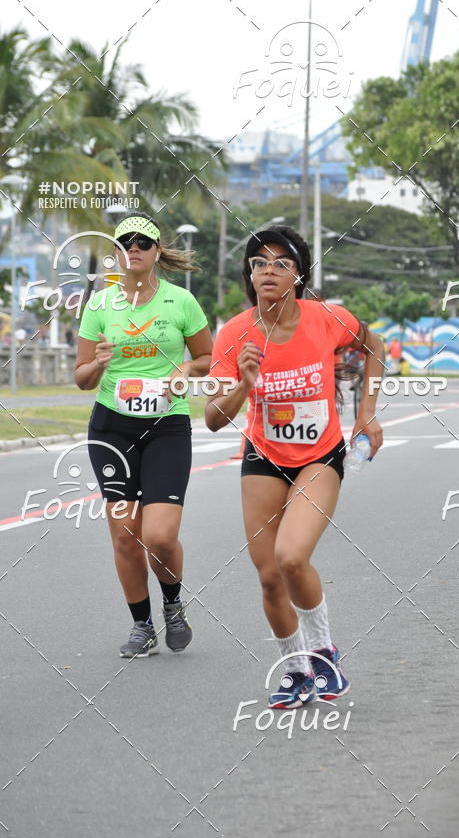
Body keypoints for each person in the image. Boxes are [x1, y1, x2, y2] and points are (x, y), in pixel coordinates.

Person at [205, 225, 385, 709]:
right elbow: (213, 420)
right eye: (259, 263)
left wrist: (366, 412)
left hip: (320, 456)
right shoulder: (235, 333)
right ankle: (297, 670)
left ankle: (324, 651)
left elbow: (375, 347)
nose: (268, 270)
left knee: (290, 557)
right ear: (249, 273)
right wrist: (242, 384)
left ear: (298, 275)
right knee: (267, 576)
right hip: (263, 456)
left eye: (281, 263)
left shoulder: (326, 319)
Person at [75, 213, 213, 657]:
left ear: (156, 252)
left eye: (143, 242)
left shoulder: (180, 303)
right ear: (116, 252)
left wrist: (186, 368)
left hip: (166, 426)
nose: (133, 248)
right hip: (112, 426)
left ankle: (173, 604)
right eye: (125, 242)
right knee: (124, 535)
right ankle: (142, 626)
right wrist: (97, 363)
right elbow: (80, 378)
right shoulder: (99, 306)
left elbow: (208, 357)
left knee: (158, 534)